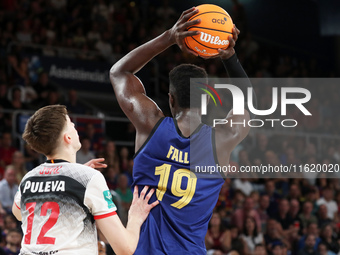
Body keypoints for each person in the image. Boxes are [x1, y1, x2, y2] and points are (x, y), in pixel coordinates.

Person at [110, 7, 251, 254]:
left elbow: (120, 72)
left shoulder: (150, 124)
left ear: (171, 99)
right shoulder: (223, 139)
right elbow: (248, 102)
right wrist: (230, 57)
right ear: (207, 100)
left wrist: (170, 37)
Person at [11, 105, 159, 255]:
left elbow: (17, 212)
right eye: (71, 124)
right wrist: (135, 216)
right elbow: (125, 249)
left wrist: (72, 177)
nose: (75, 126)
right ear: (67, 137)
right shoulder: (88, 178)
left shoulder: (28, 177)